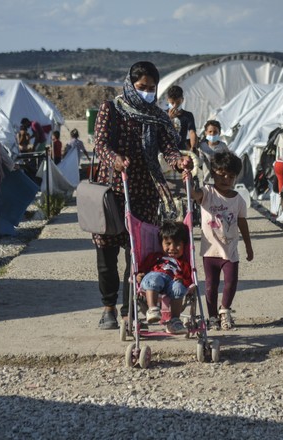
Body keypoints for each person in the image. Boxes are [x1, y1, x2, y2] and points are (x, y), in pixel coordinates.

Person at [92, 60, 193, 330]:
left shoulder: (159, 117)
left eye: (151, 88)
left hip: (145, 192)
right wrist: (114, 158)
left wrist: (179, 161)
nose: (147, 92)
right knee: (107, 252)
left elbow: (169, 149)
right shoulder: (111, 108)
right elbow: (100, 143)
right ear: (130, 84)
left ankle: (130, 310)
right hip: (113, 190)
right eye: (141, 87)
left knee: (137, 254)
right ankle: (108, 306)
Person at [184, 151, 253, 330]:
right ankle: (212, 317)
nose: (226, 179)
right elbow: (193, 194)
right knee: (210, 286)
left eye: (231, 176)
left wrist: (248, 245)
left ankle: (225, 311)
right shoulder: (207, 192)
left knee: (230, 283)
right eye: (222, 174)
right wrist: (189, 177)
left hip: (230, 251)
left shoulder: (238, 200)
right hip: (210, 251)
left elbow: (242, 223)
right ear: (213, 172)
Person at [136, 221, 195, 334]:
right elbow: (142, 269)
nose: (172, 248)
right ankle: (152, 309)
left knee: (179, 287)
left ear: (184, 245)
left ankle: (175, 321)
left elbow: (188, 278)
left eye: (177, 244)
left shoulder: (183, 263)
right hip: (155, 278)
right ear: (161, 244)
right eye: (168, 243)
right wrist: (140, 274)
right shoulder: (155, 257)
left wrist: (182, 280)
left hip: (172, 282)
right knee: (154, 278)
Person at [166, 85, 197, 152]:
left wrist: (193, 147)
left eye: (178, 103)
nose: (175, 105)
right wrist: (169, 118)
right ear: (167, 100)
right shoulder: (162, 114)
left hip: (181, 150)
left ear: (182, 100)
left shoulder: (188, 115)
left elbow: (192, 132)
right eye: (172, 103)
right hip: (166, 150)